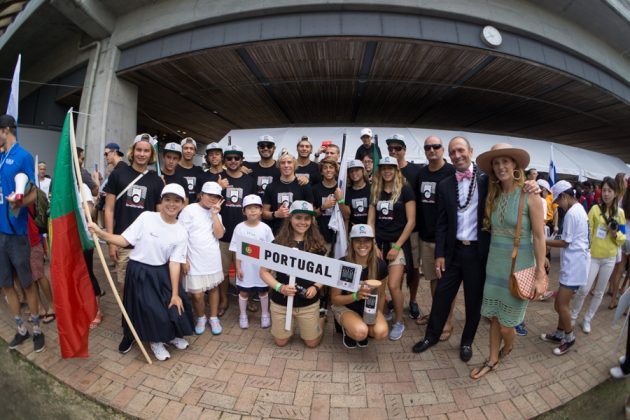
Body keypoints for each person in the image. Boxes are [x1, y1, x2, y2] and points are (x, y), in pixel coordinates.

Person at [413, 137, 539, 361]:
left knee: (474, 302)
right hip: (452, 253)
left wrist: (534, 184)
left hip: (478, 254)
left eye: (460, 150)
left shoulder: (488, 181)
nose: (457, 155)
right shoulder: (444, 185)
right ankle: (430, 336)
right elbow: (442, 223)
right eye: (452, 152)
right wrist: (440, 254)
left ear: (470, 151)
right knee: (441, 296)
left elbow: (514, 184)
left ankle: (466, 342)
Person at [89, 183, 193, 361]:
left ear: (183, 204)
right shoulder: (146, 217)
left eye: (177, 201)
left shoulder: (181, 231)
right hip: (140, 271)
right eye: (167, 199)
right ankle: (155, 341)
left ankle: (170, 335)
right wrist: (101, 233)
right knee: (153, 310)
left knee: (176, 303)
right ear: (161, 201)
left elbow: (175, 262)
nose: (171, 204)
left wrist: (175, 293)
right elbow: (124, 240)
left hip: (162, 271)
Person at [467, 143, 546, 379]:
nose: (501, 166)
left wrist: (540, 274)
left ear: (515, 165)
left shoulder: (530, 194)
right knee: (493, 318)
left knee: (506, 325)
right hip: (495, 267)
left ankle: (508, 347)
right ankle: (492, 359)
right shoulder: (494, 194)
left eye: (505, 162)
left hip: (518, 268)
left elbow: (540, 237)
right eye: (496, 163)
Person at [0, 114, 45, 352]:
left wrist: (18, 202)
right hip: (0, 234)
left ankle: (37, 330)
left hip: (17, 234)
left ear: (6, 130)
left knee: (27, 284)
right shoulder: (0, 156)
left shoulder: (23, 156)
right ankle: (21, 330)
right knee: (6, 285)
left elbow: (34, 193)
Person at [260, 200, 326, 347]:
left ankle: (321, 318)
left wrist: (315, 287)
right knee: (280, 342)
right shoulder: (277, 244)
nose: (303, 222)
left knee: (312, 343)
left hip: (308, 303)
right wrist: (279, 287)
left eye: (307, 218)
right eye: (298, 217)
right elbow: (263, 272)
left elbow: (326, 274)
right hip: (281, 302)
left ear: (312, 220)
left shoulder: (318, 246)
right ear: (290, 218)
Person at [103, 134, 164, 290]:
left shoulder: (156, 180)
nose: (142, 154)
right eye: (139, 150)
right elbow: (109, 209)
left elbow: (159, 216)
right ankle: (127, 315)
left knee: (145, 288)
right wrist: (111, 242)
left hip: (147, 244)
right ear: (133, 151)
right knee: (124, 287)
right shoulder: (118, 174)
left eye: (146, 151)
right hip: (123, 241)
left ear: (151, 154)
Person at [367, 156, 416, 341]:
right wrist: (372, 244)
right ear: (380, 170)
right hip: (378, 244)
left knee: (394, 285)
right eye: (384, 168)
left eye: (391, 168)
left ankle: (399, 321)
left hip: (397, 244)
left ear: (396, 170)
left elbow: (411, 221)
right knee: (377, 286)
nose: (387, 171)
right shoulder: (376, 190)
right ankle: (384, 311)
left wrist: (397, 246)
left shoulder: (405, 189)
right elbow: (370, 221)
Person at [571, 176, 626, 333]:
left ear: (616, 193)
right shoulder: (595, 210)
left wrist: (615, 234)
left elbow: (622, 238)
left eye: (610, 191)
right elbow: (587, 232)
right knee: (583, 289)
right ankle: (573, 316)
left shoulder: (619, 213)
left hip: (609, 258)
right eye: (604, 190)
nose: (606, 194)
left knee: (600, 291)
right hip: (593, 257)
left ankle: (587, 319)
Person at [541, 180, 590, 355]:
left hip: (574, 265)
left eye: (558, 201)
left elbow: (565, 242)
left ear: (565, 196)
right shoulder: (578, 210)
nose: (558, 206)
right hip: (575, 263)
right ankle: (560, 333)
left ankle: (569, 337)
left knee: (560, 304)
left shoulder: (571, 214)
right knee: (562, 303)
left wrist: (543, 241)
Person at [415, 136, 456, 340]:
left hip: (446, 240)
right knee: (432, 279)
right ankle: (437, 314)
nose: (432, 150)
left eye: (436, 146)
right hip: (426, 238)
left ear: (443, 149)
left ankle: (447, 321)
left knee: (446, 282)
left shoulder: (452, 172)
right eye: (427, 147)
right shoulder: (422, 173)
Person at [330, 224, 388, 348]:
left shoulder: (380, 265)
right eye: (358, 241)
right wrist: (356, 295)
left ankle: (361, 326)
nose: (362, 245)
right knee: (360, 332)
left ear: (372, 243)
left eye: (366, 240)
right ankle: (347, 329)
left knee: (380, 332)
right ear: (351, 243)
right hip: (345, 306)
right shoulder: (343, 263)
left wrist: (378, 315)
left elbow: (382, 295)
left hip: (368, 308)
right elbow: (335, 299)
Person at [179, 181, 225, 335]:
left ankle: (213, 317)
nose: (213, 198)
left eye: (216, 196)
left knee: (213, 288)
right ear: (201, 194)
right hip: (193, 258)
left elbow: (219, 234)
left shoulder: (216, 212)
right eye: (209, 195)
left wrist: (214, 214)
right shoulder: (189, 210)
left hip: (211, 257)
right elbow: (181, 235)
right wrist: (183, 258)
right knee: (197, 294)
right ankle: (201, 316)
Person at [386, 133, 422, 320]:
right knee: (395, 269)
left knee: (414, 268)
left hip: (412, 230)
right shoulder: (385, 171)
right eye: (390, 148)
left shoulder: (415, 171)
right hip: (392, 230)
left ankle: (413, 300)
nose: (393, 151)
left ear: (404, 150)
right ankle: (395, 297)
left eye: (397, 148)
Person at [217, 145, 256, 316]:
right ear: (225, 161)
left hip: (244, 236)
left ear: (241, 160)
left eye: (236, 158)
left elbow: (254, 207)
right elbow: (209, 203)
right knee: (224, 272)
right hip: (224, 235)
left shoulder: (249, 180)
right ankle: (224, 300)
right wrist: (219, 187)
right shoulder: (219, 178)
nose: (233, 161)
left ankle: (245, 299)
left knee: (246, 270)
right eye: (229, 158)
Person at [230, 194, 274, 328]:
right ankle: (243, 315)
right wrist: (238, 268)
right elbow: (237, 250)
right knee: (243, 292)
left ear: (261, 210)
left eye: (256, 207)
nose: (253, 210)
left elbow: (270, 250)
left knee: (263, 291)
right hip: (246, 267)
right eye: (249, 208)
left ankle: (265, 314)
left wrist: (269, 269)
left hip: (261, 269)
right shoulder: (239, 228)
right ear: (243, 211)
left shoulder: (265, 228)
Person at [262, 152, 314, 234]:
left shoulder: (304, 185)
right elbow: (264, 213)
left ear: (294, 165)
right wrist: (276, 214)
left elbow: (311, 212)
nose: (286, 165)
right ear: (279, 166)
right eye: (283, 163)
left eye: (289, 162)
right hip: (277, 233)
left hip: (299, 233)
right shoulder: (271, 187)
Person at [312, 158, 343, 254]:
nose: (328, 170)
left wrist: (340, 199)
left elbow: (347, 214)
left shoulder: (341, 188)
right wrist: (323, 207)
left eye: (331, 167)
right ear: (321, 172)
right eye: (325, 168)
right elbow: (312, 215)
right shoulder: (315, 189)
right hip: (322, 238)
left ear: (335, 171)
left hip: (339, 237)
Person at [610, 185, 630, 309]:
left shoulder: (623, 200)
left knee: (618, 271)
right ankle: (626, 307)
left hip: (623, 237)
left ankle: (613, 300)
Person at [248, 135, 280, 200]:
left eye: (269, 146)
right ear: (258, 148)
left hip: (275, 209)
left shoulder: (281, 168)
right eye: (262, 146)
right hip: (255, 208)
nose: (265, 148)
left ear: (274, 148)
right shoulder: (250, 169)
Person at [175, 137, 205, 203]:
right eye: (186, 148)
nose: (188, 151)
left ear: (194, 152)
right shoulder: (174, 169)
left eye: (191, 149)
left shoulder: (199, 171)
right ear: (181, 150)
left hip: (194, 210)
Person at [341, 159, 370, 226]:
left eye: (357, 170)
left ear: (363, 171)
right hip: (353, 229)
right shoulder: (347, 191)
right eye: (351, 171)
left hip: (369, 229)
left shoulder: (371, 189)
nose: (354, 173)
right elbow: (346, 216)